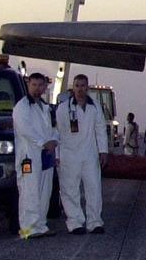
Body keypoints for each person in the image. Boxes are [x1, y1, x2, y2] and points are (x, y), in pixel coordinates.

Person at [56, 74, 109, 235]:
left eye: (83, 85)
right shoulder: (63, 108)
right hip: (69, 155)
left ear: (87, 87)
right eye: (77, 85)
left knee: (93, 188)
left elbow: (100, 129)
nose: (80, 89)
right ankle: (75, 222)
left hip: (90, 154)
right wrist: (57, 154)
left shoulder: (95, 107)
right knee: (70, 190)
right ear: (73, 88)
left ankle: (94, 222)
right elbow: (57, 132)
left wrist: (103, 151)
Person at [13, 72, 58, 239]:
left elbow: (53, 128)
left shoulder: (45, 107)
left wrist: (53, 141)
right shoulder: (22, 107)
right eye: (34, 85)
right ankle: (27, 228)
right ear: (28, 84)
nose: (37, 88)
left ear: (45, 86)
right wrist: (42, 143)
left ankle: (40, 225)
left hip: (46, 156)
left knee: (44, 192)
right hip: (29, 156)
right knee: (29, 192)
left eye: (40, 85)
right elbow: (25, 130)